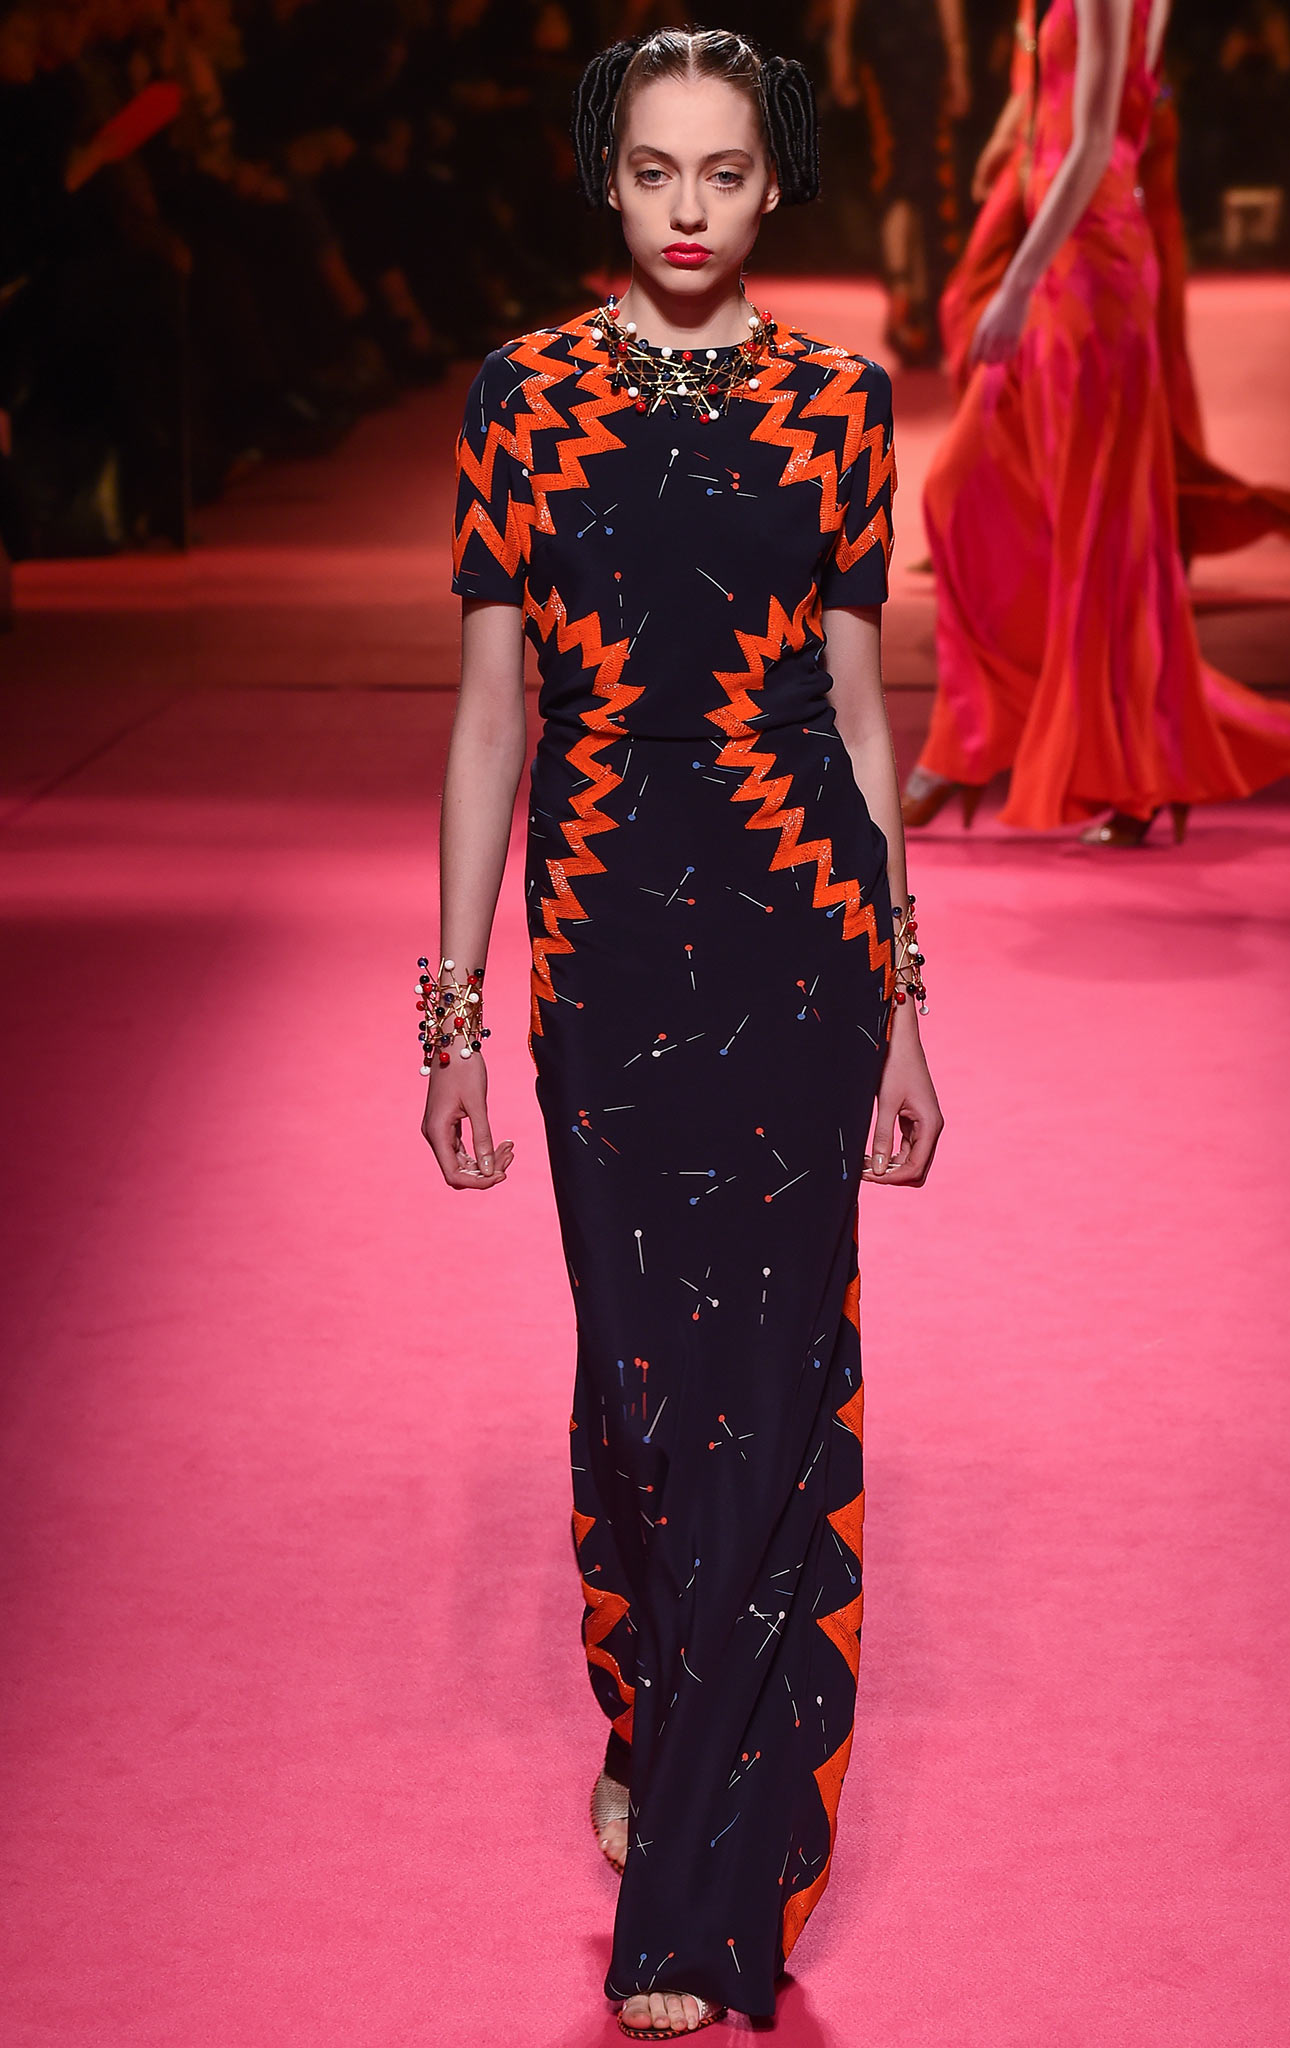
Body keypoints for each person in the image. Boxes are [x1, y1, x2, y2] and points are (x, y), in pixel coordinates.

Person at [423, 26, 943, 2034]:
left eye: (724, 171)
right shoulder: (523, 398)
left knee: (777, 1381)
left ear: (772, 179)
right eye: (655, 170)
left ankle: (709, 1898)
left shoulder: (837, 403)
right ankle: (652, 1709)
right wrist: (454, 1010)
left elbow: (859, 714)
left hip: (798, 935)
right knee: (646, 1387)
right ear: (606, 175)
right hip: (604, 938)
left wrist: (905, 1004)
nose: (690, 208)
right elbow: (492, 715)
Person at [901, 0, 1290, 844]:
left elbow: (1095, 143)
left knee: (1099, 534)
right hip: (1062, 251)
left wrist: (1016, 281)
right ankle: (978, 735)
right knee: (957, 489)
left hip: (1090, 270)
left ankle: (1129, 769)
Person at [938, 64, 1290, 560]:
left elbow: (1112, 89)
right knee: (981, 317)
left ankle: (1118, 525)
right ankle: (1016, 509)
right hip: (1057, 141)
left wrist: (1034, 151)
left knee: (1112, 362)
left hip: (1087, 153)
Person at [827, 0, 973, 365]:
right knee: (927, 173)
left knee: (893, 168)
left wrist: (840, 49)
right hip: (923, 38)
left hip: (881, 38)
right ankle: (922, 297)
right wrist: (957, 61)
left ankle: (902, 288)